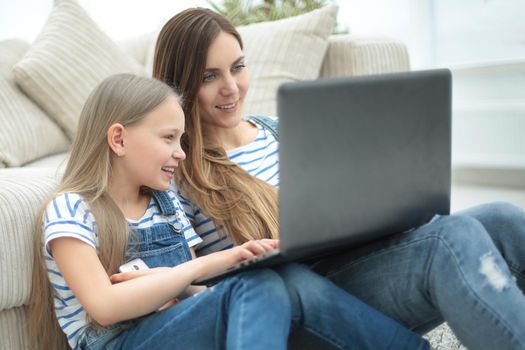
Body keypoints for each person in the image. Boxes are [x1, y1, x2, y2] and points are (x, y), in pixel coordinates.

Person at [152, 7, 525, 350]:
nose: (231, 87)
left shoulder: (287, 129)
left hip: (360, 268)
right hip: (307, 302)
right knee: (450, 238)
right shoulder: (176, 171)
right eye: (209, 76)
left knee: (504, 220)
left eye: (237, 67)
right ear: (180, 88)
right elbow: (187, 289)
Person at [28, 73, 429, 350]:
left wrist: (216, 272)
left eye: (182, 139)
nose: (180, 153)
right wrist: (201, 266)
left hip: (172, 331)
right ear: (118, 138)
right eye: (168, 138)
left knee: (273, 277)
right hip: (121, 341)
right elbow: (105, 306)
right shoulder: (71, 208)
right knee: (254, 286)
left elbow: (191, 299)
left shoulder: (166, 205)